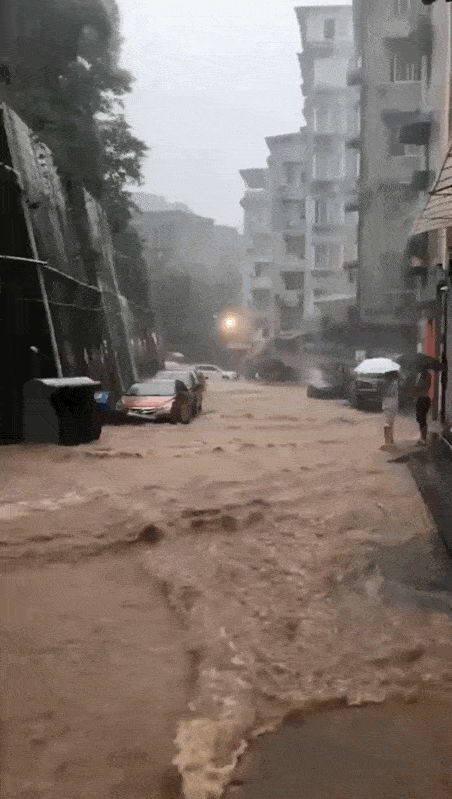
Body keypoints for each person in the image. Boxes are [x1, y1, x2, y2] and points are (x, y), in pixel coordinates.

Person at [381, 370, 399, 446]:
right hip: (394, 402)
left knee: (387, 422)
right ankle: (391, 440)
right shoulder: (395, 382)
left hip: (387, 402)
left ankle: (387, 442)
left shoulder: (385, 383)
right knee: (391, 422)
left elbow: (384, 393)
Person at [414, 368, 432, 444]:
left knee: (422, 419)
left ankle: (424, 438)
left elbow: (425, 387)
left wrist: (418, 388)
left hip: (424, 399)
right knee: (419, 418)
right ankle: (422, 437)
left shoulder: (427, 375)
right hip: (419, 399)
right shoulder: (419, 375)